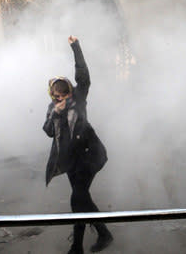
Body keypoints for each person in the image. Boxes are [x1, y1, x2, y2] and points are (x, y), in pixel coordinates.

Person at [43, 36, 113, 254]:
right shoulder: (52, 108)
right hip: (71, 161)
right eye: (56, 97)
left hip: (90, 156)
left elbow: (84, 78)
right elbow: (47, 131)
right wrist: (55, 114)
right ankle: (103, 234)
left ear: (70, 92)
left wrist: (76, 47)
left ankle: (77, 247)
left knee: (78, 198)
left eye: (64, 95)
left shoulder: (79, 98)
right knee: (83, 199)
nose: (61, 100)